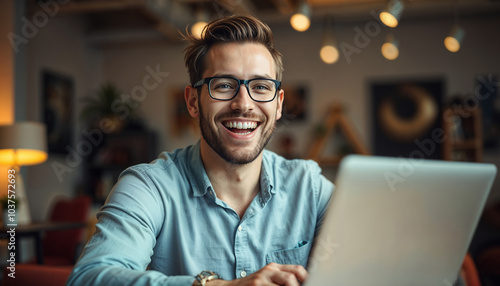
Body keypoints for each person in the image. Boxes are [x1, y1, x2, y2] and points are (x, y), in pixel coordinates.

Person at [67, 15, 334, 286]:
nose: (244, 104)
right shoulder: (149, 187)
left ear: (278, 105)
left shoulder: (309, 187)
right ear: (193, 102)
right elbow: (89, 279)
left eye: (261, 87)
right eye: (224, 85)